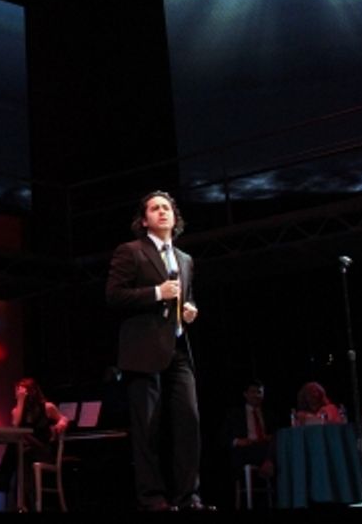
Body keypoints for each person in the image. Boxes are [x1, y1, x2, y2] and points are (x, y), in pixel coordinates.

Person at [106, 190, 210, 511]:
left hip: (177, 348)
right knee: (147, 427)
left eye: (167, 207)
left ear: (174, 217)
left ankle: (188, 496)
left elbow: (183, 299)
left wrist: (189, 309)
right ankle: (152, 498)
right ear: (144, 219)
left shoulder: (185, 259)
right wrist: (156, 292)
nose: (162, 212)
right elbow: (114, 296)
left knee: (188, 422)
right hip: (143, 349)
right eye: (155, 208)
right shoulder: (131, 252)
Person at [0, 378, 68, 509]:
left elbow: (63, 418)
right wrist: (21, 401)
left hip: (43, 450)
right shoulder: (16, 410)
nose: (17, 393)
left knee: (18, 440)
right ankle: (26, 504)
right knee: (20, 449)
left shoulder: (47, 407)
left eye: (20, 390)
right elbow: (16, 424)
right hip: (26, 451)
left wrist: (61, 423)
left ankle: (3, 478)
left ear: (30, 391)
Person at [222, 379, 275, 481]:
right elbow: (223, 437)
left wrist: (270, 437)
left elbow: (276, 434)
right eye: (253, 392)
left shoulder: (269, 415)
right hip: (245, 450)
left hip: (265, 447)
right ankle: (268, 464)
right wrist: (237, 441)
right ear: (245, 394)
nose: (256, 395)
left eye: (259, 392)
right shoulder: (235, 414)